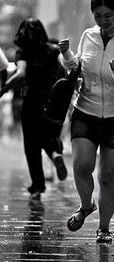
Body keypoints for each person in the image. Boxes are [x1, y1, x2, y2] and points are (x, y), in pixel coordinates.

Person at [58, 0, 114, 243]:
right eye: (98, 15)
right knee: (81, 166)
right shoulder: (88, 36)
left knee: (108, 177)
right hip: (86, 109)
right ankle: (86, 205)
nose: (103, 21)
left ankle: (104, 228)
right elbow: (78, 68)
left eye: (108, 15)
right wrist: (66, 54)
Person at [6, 18, 68, 200]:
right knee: (48, 136)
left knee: (31, 145)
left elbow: (20, 73)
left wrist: (4, 88)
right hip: (52, 102)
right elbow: (65, 70)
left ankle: (37, 186)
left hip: (31, 101)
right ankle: (55, 153)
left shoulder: (23, 52)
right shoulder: (53, 49)